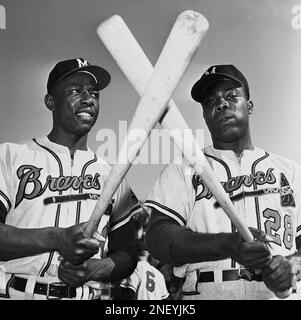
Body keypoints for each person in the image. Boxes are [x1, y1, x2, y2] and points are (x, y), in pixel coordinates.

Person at [144, 64, 301, 300]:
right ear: (205, 115)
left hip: (282, 294)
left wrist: (293, 266)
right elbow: (157, 238)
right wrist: (225, 244)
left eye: (231, 96)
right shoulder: (184, 167)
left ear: (249, 106)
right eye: (210, 101)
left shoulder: (289, 170)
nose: (221, 104)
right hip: (209, 291)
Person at [0, 57, 141, 300]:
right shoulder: (11, 156)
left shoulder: (112, 174)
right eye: (76, 91)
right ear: (50, 101)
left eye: (94, 93)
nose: (88, 99)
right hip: (18, 292)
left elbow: (127, 253)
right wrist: (54, 238)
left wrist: (94, 268)